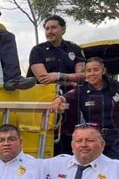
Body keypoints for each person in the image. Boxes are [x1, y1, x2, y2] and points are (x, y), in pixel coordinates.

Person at [51, 57, 119, 161]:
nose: (92, 74)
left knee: (118, 169)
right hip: (92, 138)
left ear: (103, 71)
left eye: (95, 70)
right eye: (88, 71)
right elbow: (66, 97)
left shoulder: (113, 85)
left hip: (116, 137)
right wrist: (58, 99)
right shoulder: (81, 89)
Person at [28, 15, 86, 155]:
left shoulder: (75, 49)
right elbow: (43, 79)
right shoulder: (38, 51)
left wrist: (58, 76)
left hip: (71, 103)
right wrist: (70, 80)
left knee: (70, 140)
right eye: (47, 28)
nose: (50, 31)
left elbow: (83, 77)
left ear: (63, 29)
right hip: (46, 103)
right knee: (48, 141)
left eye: (53, 27)